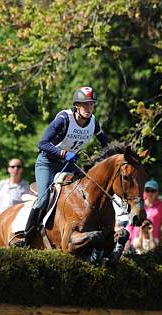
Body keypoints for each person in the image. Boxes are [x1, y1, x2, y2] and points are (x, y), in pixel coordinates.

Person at [20, 86, 109, 247]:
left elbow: (105, 144)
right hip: (47, 163)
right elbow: (42, 144)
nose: (88, 108)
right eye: (84, 104)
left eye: (91, 104)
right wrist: (63, 153)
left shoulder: (94, 123)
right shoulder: (64, 119)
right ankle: (26, 238)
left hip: (70, 165)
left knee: (87, 192)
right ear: (77, 105)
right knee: (43, 199)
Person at [127, 179, 162, 248]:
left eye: (153, 191)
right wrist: (127, 241)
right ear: (144, 191)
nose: (150, 193)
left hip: (154, 242)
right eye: (147, 190)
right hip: (136, 241)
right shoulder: (138, 204)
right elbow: (130, 224)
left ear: (157, 192)